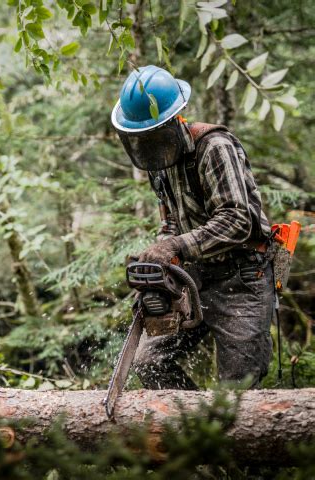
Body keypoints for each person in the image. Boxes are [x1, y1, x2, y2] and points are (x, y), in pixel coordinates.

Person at [111, 65, 275, 389]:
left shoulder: (213, 147)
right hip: (196, 276)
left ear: (173, 121)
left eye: (155, 136)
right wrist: (159, 262)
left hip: (241, 275)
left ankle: (225, 430)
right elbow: (171, 222)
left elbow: (237, 219)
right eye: (142, 139)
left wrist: (176, 247)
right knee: (149, 362)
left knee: (236, 389)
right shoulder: (156, 162)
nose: (149, 145)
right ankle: (191, 428)